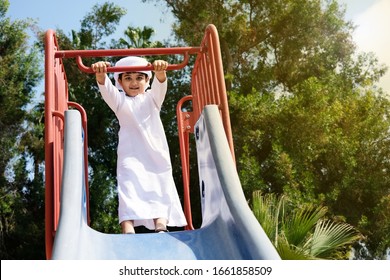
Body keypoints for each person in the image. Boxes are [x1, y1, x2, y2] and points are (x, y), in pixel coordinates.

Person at [91, 56, 187, 234]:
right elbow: (107, 90)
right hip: (131, 155)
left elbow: (161, 85)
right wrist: (101, 75)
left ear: (147, 80)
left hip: (155, 152)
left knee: (159, 184)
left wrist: (160, 72)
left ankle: (161, 225)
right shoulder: (120, 102)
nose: (134, 82)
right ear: (119, 81)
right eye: (128, 78)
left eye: (139, 77)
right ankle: (128, 228)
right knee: (128, 187)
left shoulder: (152, 99)